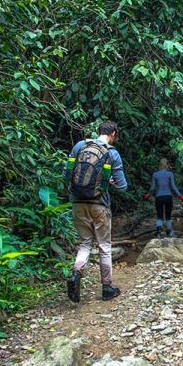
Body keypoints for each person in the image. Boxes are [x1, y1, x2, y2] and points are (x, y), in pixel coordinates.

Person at [64, 120, 127, 303]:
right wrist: (109, 182)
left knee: (85, 243)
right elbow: (123, 187)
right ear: (113, 133)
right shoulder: (112, 153)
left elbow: (66, 174)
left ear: (98, 131)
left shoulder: (80, 146)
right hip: (99, 205)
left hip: (77, 203)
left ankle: (76, 273)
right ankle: (107, 287)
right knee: (104, 246)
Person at [148, 158, 183, 237]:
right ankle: (168, 232)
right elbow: (173, 187)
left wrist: (148, 195)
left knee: (159, 216)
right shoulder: (170, 174)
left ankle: (158, 232)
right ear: (167, 165)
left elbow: (153, 188)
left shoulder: (155, 174)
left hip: (159, 197)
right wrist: (181, 196)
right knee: (168, 216)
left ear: (159, 165)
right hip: (168, 197)